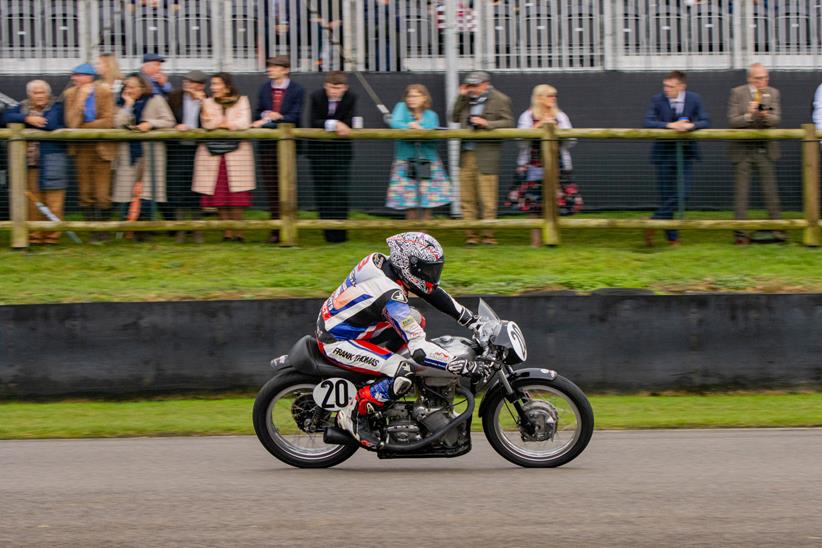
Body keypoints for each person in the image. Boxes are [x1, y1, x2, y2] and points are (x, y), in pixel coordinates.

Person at [321, 232, 492, 448]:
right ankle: (354, 414)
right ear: (408, 265)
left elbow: (433, 293)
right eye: (428, 270)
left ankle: (380, 380)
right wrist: (463, 366)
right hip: (338, 340)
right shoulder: (391, 296)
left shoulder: (382, 261)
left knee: (417, 320)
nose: (433, 275)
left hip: (352, 324)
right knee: (404, 371)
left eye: (435, 269)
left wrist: (473, 321)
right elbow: (420, 350)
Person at [642, 70, 710, 246]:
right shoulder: (657, 99)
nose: (666, 90)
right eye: (665, 86)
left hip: (685, 153)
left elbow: (705, 121)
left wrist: (691, 126)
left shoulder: (694, 99)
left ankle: (653, 221)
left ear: (682, 86)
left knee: (683, 194)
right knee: (666, 195)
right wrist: (670, 125)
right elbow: (647, 122)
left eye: (671, 87)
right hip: (664, 154)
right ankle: (672, 237)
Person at [512, 84, 578, 247]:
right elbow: (520, 142)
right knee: (533, 206)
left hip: (557, 167)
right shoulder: (527, 116)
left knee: (555, 203)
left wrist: (557, 130)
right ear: (539, 97)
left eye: (554, 95)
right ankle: (535, 241)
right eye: (549, 95)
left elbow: (572, 141)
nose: (553, 98)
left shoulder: (560, 116)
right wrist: (538, 126)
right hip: (532, 167)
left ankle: (552, 238)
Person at [192, 73, 256, 242]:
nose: (213, 87)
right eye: (212, 84)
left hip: (237, 155)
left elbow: (244, 123)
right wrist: (224, 122)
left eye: (217, 84)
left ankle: (239, 232)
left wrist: (227, 124)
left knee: (237, 195)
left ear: (227, 86)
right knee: (219, 194)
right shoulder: (207, 103)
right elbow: (207, 124)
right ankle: (226, 232)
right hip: (213, 155)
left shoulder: (242, 100)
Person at [452, 71, 513, 245]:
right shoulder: (465, 100)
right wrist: (460, 97)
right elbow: (453, 117)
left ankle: (488, 236)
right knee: (467, 198)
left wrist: (487, 124)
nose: (471, 89)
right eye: (469, 85)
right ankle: (471, 236)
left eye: (475, 85)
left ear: (486, 84)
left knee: (487, 199)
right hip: (466, 155)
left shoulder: (500, 99)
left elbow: (508, 123)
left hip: (487, 155)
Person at [4, 80, 69, 245]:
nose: (39, 96)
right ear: (29, 95)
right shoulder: (22, 107)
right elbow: (5, 117)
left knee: (54, 202)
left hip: (53, 160)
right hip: (30, 164)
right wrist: (27, 118)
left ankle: (52, 237)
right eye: (35, 93)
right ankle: (35, 236)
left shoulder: (57, 106)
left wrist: (27, 122)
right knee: (33, 202)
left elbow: (52, 123)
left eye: (42, 92)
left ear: (48, 94)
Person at [728, 63, 783, 244]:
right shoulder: (737, 92)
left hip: (764, 150)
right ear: (750, 78)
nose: (763, 81)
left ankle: (778, 230)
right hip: (742, 150)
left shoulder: (773, 93)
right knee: (741, 193)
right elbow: (733, 120)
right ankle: (740, 234)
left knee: (771, 191)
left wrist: (764, 114)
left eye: (765, 78)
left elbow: (776, 119)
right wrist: (749, 115)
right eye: (759, 78)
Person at [251, 55, 305, 244]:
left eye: (274, 67)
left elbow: (295, 116)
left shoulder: (297, 90)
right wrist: (268, 115)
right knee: (271, 187)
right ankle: (275, 228)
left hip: (288, 147)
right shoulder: (264, 88)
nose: (270, 70)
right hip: (267, 146)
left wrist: (277, 117)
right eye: (269, 66)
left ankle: (290, 226)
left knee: (287, 187)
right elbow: (258, 112)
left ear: (285, 69)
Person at [111, 73, 175, 230]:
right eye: (126, 86)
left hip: (151, 152)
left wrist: (150, 123)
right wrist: (128, 106)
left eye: (132, 87)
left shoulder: (156, 100)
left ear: (142, 87)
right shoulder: (122, 103)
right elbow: (118, 123)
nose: (128, 90)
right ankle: (129, 227)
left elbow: (169, 121)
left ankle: (145, 228)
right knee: (127, 189)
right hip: (129, 153)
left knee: (148, 190)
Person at [63, 63, 116, 231]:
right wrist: (80, 100)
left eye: (78, 75)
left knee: (102, 194)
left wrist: (83, 127)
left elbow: (108, 121)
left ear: (89, 77)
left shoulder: (105, 92)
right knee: (85, 192)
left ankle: (104, 229)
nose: (74, 79)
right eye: (73, 75)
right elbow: (71, 123)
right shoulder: (70, 94)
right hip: (81, 149)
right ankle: (91, 229)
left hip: (102, 148)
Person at [307, 71, 357, 243]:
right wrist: (335, 124)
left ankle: (341, 233)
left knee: (340, 192)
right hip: (318, 153)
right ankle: (327, 233)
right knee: (323, 193)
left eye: (338, 88)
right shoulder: (315, 96)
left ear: (345, 88)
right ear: (325, 86)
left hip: (341, 154)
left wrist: (343, 125)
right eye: (331, 88)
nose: (334, 92)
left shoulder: (351, 97)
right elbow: (313, 121)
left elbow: (350, 122)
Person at [387, 84, 451, 220]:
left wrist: (421, 133)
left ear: (424, 98)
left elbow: (434, 138)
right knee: (409, 202)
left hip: (428, 162)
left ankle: (424, 237)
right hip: (405, 162)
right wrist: (409, 126)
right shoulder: (401, 108)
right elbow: (395, 123)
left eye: (415, 96)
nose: (411, 99)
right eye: (409, 96)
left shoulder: (431, 115)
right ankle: (412, 239)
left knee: (427, 202)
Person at [167, 70, 208, 243]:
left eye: (192, 83)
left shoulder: (207, 100)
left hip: (198, 150)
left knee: (196, 187)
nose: (188, 86)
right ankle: (181, 229)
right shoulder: (174, 97)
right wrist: (176, 126)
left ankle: (196, 228)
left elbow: (210, 121)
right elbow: (167, 119)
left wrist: (203, 103)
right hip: (178, 149)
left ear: (200, 86)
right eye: (186, 82)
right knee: (178, 188)